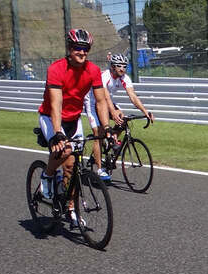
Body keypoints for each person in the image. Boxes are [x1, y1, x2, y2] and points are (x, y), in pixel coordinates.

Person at [37, 28, 113, 227]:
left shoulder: (93, 70)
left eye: (86, 48)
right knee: (64, 150)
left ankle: (71, 209)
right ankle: (47, 174)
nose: (82, 52)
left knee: (73, 166)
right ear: (70, 48)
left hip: (74, 119)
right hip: (51, 117)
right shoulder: (56, 69)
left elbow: (101, 101)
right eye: (78, 48)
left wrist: (107, 127)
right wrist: (57, 133)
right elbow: (55, 104)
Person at [83, 52, 154, 180]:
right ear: (112, 67)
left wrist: (145, 111)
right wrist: (113, 112)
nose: (122, 69)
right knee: (98, 133)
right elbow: (104, 97)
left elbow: (132, 96)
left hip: (107, 101)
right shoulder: (104, 76)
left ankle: (112, 139)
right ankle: (99, 169)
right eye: (119, 66)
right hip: (93, 102)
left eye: (124, 66)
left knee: (123, 119)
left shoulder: (125, 78)